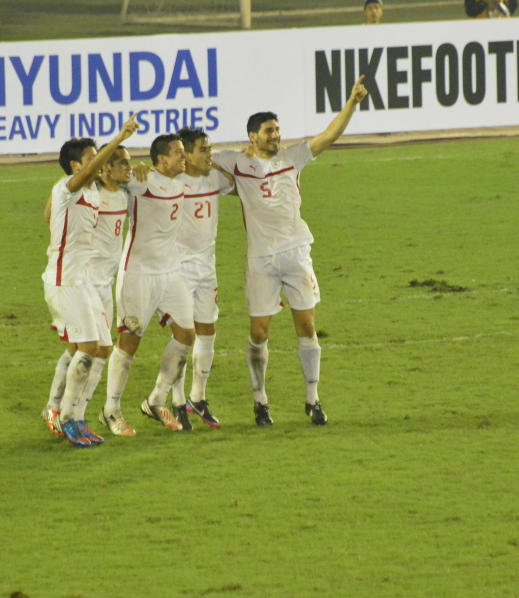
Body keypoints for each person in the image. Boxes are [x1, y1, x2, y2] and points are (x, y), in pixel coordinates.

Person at [211, 77, 368, 427]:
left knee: (307, 325)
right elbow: (198, 158)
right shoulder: (235, 162)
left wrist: (352, 103)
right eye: (269, 131)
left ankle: (312, 399)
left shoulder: (293, 156)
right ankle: (260, 401)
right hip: (261, 260)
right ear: (253, 135)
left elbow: (329, 136)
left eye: (277, 129)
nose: (276, 135)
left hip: (297, 253)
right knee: (259, 332)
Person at [41, 115, 140, 448]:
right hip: (65, 279)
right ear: (74, 166)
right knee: (84, 348)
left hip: (84, 280)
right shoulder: (67, 187)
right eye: (90, 157)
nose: (97, 162)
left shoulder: (92, 193)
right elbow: (78, 182)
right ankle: (64, 416)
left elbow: (48, 217)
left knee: (101, 348)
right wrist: (120, 137)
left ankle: (77, 416)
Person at [101, 134, 192, 434]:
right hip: (138, 273)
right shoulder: (142, 181)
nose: (184, 157)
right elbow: (109, 176)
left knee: (186, 335)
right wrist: (132, 170)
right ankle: (111, 410)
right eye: (178, 153)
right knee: (129, 343)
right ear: (161, 159)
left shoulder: (181, 180)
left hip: (170, 271)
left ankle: (156, 399)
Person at [168, 127, 235, 431]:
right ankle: (177, 400)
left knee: (207, 330)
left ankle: (198, 397)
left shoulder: (214, 178)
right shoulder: (171, 182)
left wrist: (219, 166)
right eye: (203, 150)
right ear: (186, 154)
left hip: (207, 268)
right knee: (183, 337)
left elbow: (236, 185)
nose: (210, 154)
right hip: (177, 270)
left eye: (210, 148)